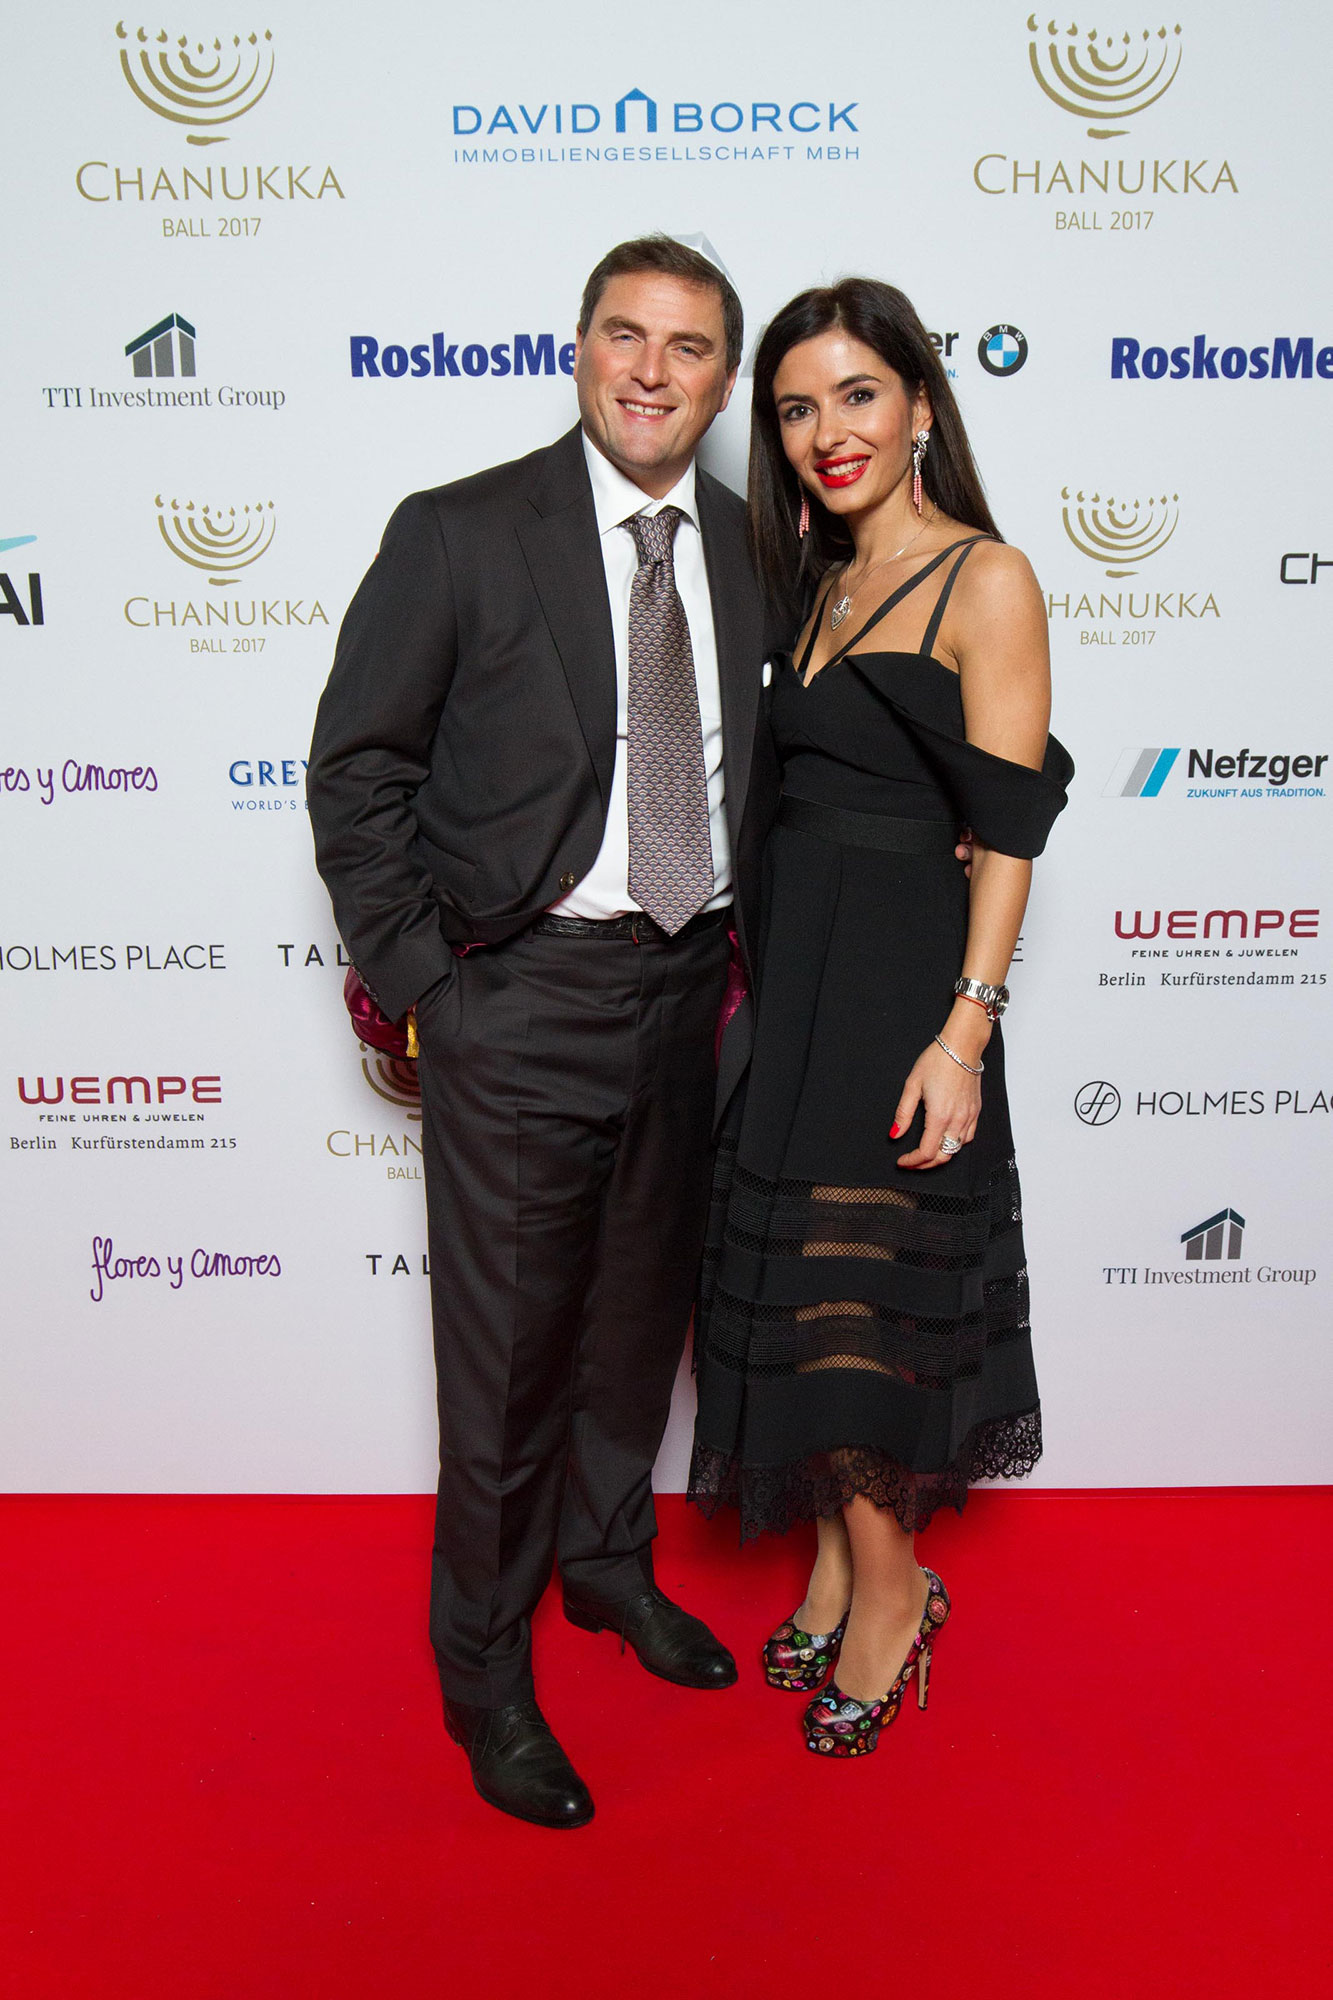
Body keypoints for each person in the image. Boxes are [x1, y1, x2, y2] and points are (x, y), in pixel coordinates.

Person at [308, 237, 784, 1828]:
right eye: (623, 335)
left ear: (724, 379)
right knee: (509, 1367)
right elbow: (358, 771)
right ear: (577, 347)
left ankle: (606, 1566)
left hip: (691, 992)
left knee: (636, 1330)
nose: (651, 371)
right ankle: (484, 1673)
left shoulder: (752, 548)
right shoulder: (458, 532)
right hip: (519, 998)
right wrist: (426, 984)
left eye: (689, 347)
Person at [688, 279, 1072, 1758]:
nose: (826, 430)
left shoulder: (987, 577)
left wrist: (963, 1034)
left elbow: (1009, 830)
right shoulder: (815, 578)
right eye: (795, 407)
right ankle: (841, 1563)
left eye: (857, 394)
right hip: (794, 981)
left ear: (919, 404)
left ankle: (894, 1591)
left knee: (859, 1304)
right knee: (797, 1295)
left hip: (902, 991)